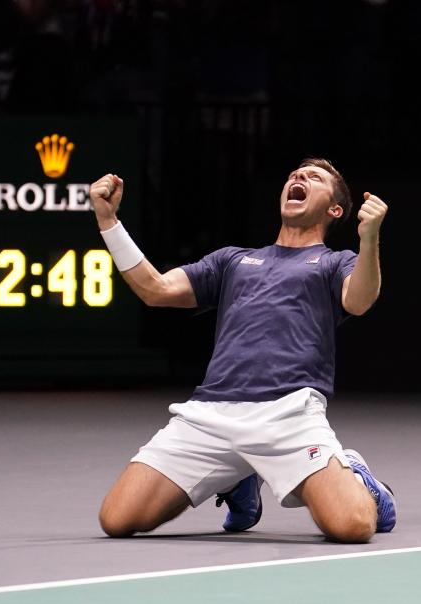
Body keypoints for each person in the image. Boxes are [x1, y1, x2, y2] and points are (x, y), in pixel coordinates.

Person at [91, 159, 396, 542]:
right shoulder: (232, 261)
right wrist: (108, 220)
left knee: (352, 527)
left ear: (335, 210)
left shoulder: (335, 263)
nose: (298, 178)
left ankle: (358, 476)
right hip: (209, 414)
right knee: (117, 519)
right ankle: (239, 478)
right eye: (294, 175)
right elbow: (156, 289)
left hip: (288, 413)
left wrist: (369, 239)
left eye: (313, 178)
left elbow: (359, 300)